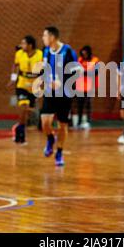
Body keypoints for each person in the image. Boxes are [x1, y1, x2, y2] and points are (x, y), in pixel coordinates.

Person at [40, 26, 79, 166]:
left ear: (52, 37)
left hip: (65, 93)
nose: (43, 39)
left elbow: (77, 71)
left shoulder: (68, 51)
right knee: (45, 122)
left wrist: (62, 82)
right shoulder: (45, 52)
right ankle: (50, 138)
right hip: (50, 92)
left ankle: (59, 152)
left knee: (62, 125)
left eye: (44, 36)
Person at [8, 35, 43, 145]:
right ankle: (21, 134)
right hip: (22, 84)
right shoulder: (19, 54)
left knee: (28, 111)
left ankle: (18, 127)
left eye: (24, 43)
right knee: (23, 106)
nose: (21, 45)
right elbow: (15, 65)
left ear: (30, 45)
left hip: (34, 86)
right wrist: (13, 79)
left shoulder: (39, 55)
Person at [75, 45, 99, 129]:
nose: (84, 54)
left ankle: (88, 121)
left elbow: (96, 72)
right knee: (80, 105)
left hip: (90, 86)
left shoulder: (95, 60)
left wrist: (84, 72)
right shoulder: (79, 60)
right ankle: (79, 121)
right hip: (80, 86)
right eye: (82, 53)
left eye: (85, 53)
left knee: (88, 104)